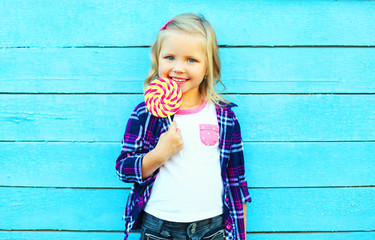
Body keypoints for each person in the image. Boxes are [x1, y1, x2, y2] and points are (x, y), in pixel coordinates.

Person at [116, 13, 251, 240]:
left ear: (208, 67)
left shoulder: (224, 118)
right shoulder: (146, 113)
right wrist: (159, 154)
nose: (179, 68)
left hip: (213, 228)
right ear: (157, 59)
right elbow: (123, 168)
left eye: (191, 60)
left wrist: (240, 234)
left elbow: (236, 182)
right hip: (159, 228)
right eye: (170, 57)